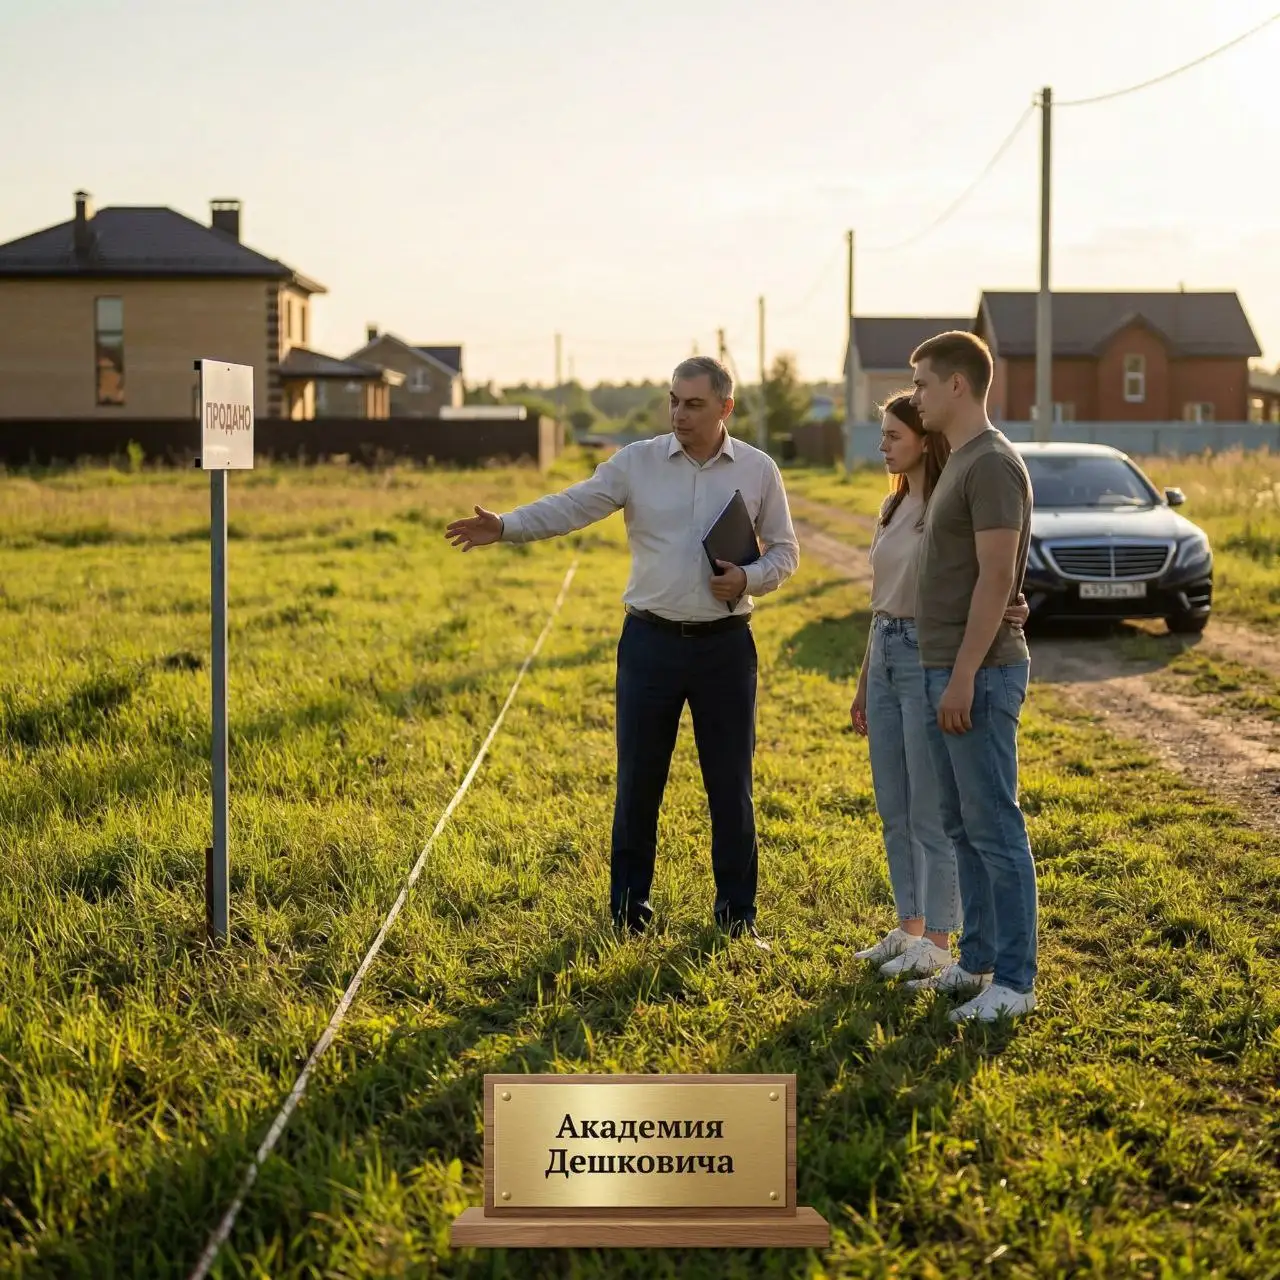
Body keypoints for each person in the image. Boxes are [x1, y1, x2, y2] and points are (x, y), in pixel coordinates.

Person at [444, 356, 799, 948]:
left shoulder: (760, 471)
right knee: (638, 783)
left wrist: (750, 578)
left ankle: (738, 920)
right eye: (674, 402)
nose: (679, 414)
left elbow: (785, 552)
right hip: (650, 646)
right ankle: (628, 914)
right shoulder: (637, 462)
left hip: (725, 650)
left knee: (730, 787)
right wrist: (505, 526)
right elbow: (571, 505)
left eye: (694, 404)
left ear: (725, 409)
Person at [850, 394, 1028, 982]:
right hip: (885, 653)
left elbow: (988, 576)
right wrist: (862, 681)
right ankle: (911, 926)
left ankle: (943, 940)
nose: (883, 446)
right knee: (893, 806)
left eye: (893, 436)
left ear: (924, 441)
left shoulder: (949, 506)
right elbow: (880, 603)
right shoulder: (892, 506)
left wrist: (1013, 607)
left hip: (930, 651)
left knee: (932, 808)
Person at [904, 330, 1037, 1023]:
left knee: (995, 828)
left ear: (958, 385)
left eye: (923, 383)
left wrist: (961, 677)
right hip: (946, 670)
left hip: (977, 676)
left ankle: (1015, 983)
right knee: (962, 826)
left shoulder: (990, 463)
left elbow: (993, 578)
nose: (915, 396)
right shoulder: (960, 460)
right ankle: (978, 961)